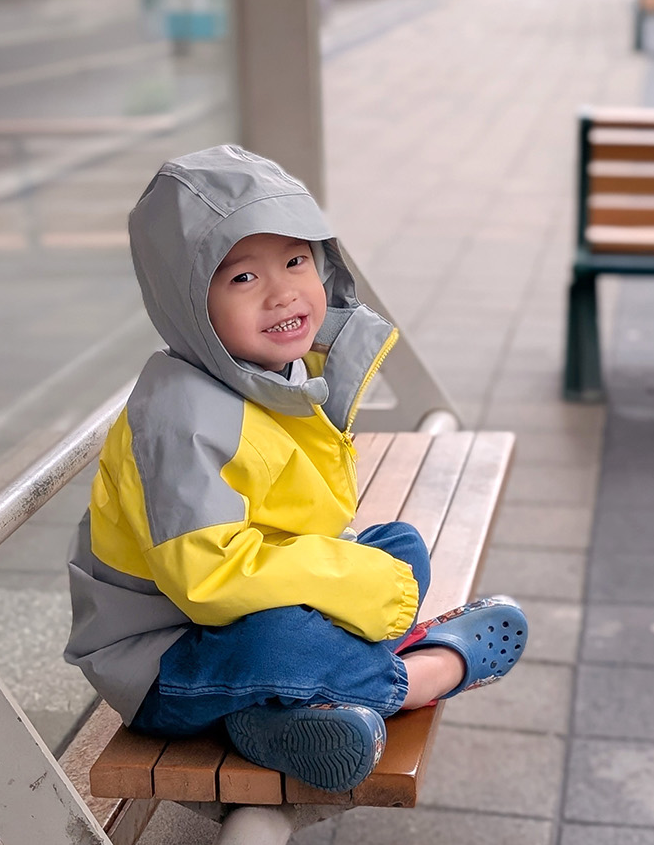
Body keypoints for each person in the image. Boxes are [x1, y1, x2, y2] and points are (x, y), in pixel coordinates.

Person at [65, 145, 527, 793]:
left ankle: (275, 716)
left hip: (244, 609)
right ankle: (417, 676)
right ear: (186, 303)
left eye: (294, 261)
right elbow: (211, 577)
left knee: (398, 546)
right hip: (166, 659)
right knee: (287, 636)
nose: (283, 292)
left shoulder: (275, 373)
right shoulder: (182, 418)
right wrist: (356, 586)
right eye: (241, 278)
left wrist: (358, 574)